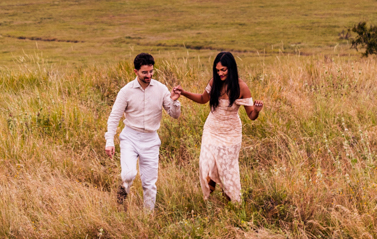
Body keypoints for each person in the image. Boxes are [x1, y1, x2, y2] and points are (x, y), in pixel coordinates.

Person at [172, 50, 263, 203]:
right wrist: (184, 92)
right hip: (212, 129)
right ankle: (210, 192)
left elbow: (251, 116)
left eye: (223, 70)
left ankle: (232, 201)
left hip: (231, 133)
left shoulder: (242, 87)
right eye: (217, 70)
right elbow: (202, 99)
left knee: (227, 170)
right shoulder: (214, 82)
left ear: (231, 69)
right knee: (205, 163)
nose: (220, 73)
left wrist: (257, 111)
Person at [104, 52, 182, 211]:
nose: (149, 75)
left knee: (149, 183)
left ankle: (148, 218)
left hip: (151, 139)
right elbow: (114, 117)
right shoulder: (126, 91)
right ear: (136, 72)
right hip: (130, 137)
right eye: (144, 72)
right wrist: (109, 141)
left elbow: (175, 115)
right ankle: (124, 189)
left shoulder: (160, 89)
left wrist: (174, 101)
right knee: (129, 174)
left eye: (151, 71)